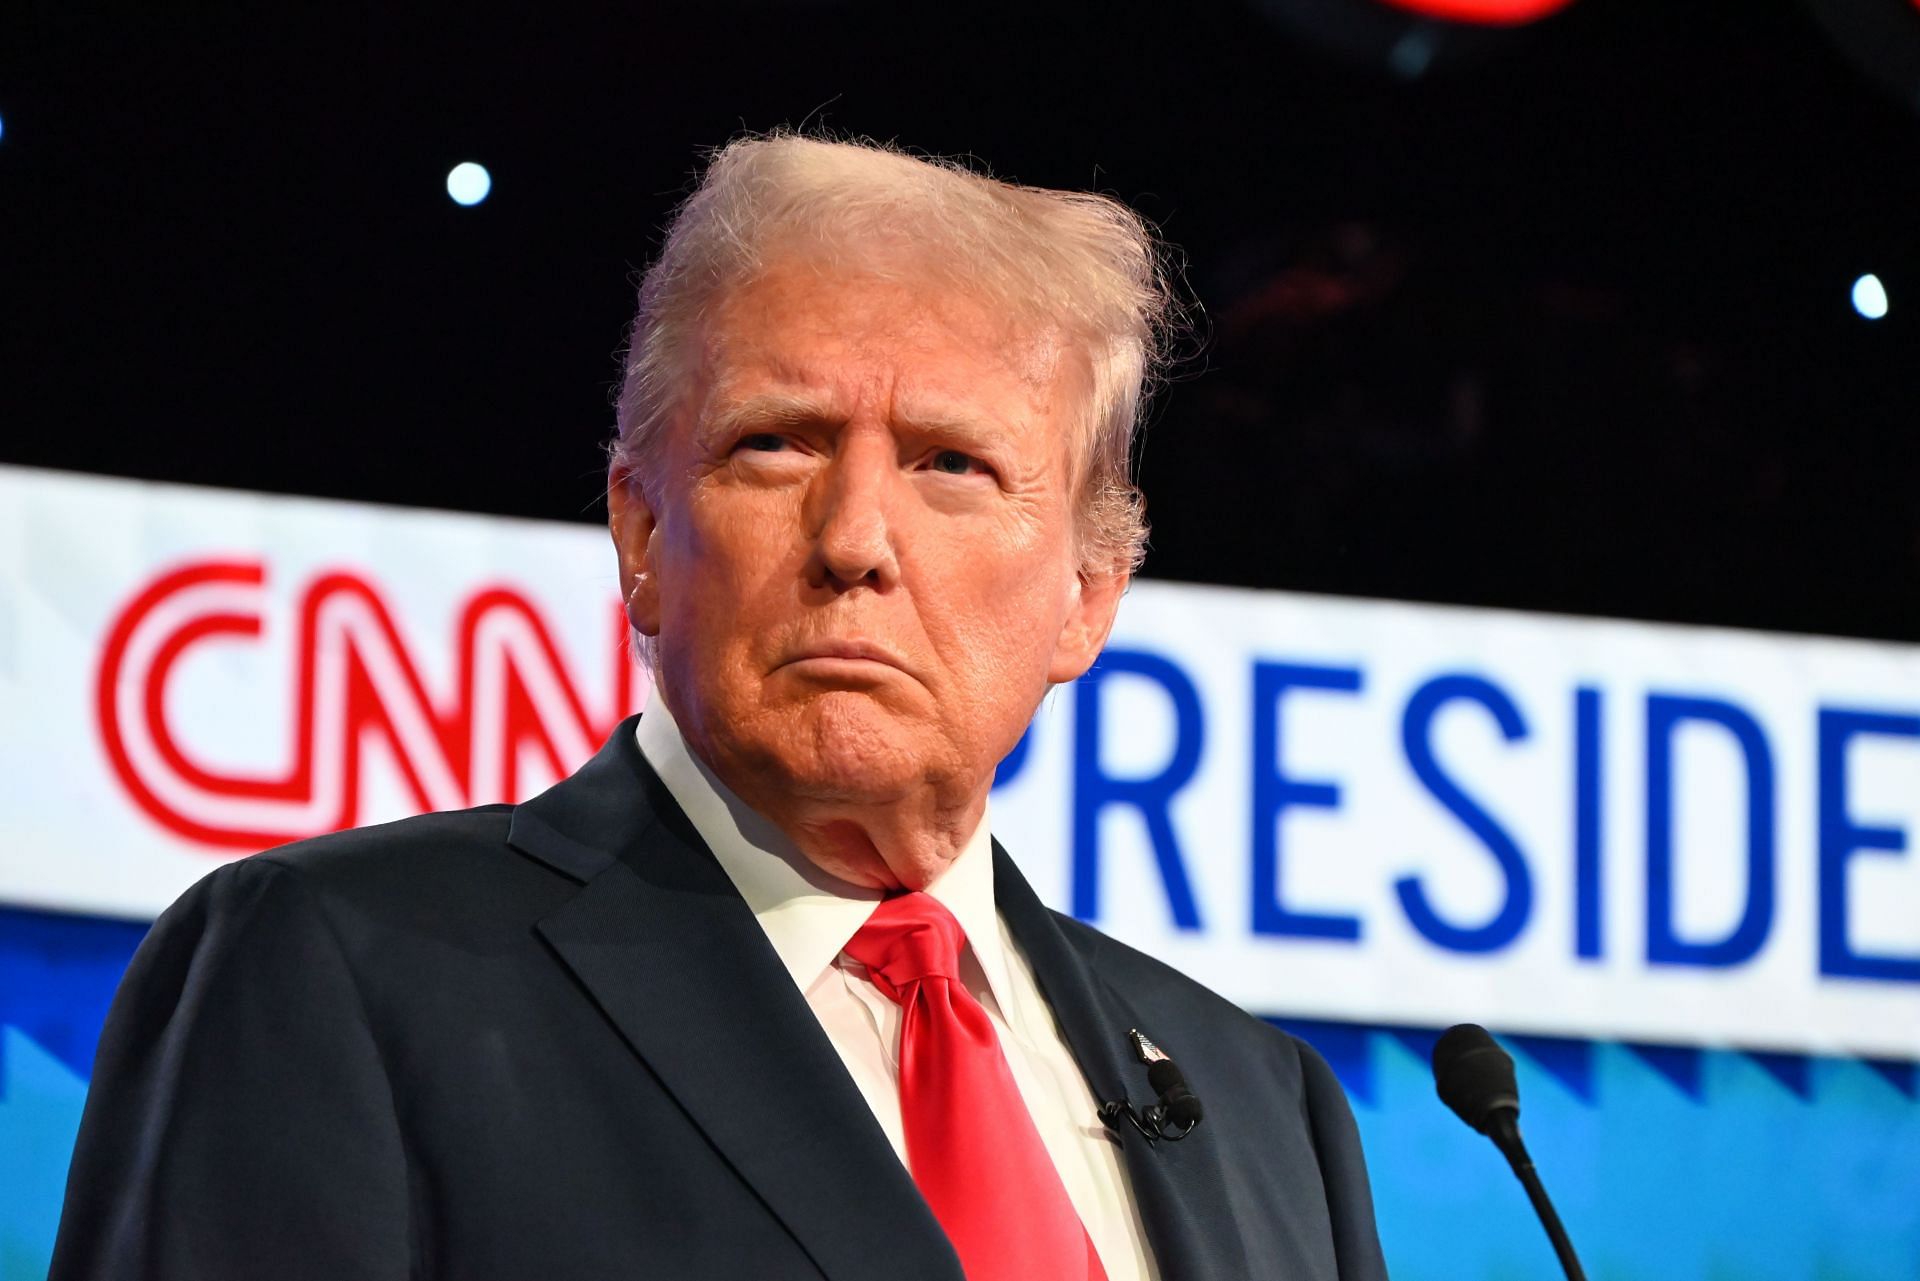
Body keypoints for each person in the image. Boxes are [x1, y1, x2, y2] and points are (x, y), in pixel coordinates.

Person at [51, 135, 1387, 1281]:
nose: (856, 534)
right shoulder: (333, 966)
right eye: (779, 442)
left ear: (1089, 591)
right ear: (640, 526)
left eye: (954, 464)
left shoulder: (1268, 1110)